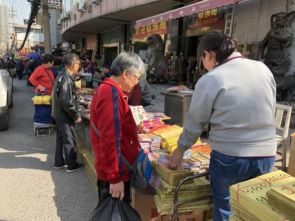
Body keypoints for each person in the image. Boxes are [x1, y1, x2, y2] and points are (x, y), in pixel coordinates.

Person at [169, 31, 276, 221]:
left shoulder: (212, 78)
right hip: (266, 153)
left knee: (226, 208)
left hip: (230, 156)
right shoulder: (263, 68)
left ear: (208, 54)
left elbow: (196, 121)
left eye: (202, 57)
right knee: (254, 210)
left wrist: (180, 149)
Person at [90, 52, 145, 203]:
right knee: (114, 213)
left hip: (114, 168)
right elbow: (110, 139)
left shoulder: (111, 90)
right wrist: (115, 178)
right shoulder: (111, 94)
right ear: (126, 74)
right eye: (137, 77)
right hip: (114, 171)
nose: (137, 82)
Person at [51, 53, 83, 172]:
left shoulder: (61, 75)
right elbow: (66, 101)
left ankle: (59, 162)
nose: (78, 66)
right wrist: (76, 115)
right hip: (64, 115)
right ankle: (71, 165)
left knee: (61, 139)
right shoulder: (66, 78)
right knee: (69, 139)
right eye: (78, 64)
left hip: (58, 113)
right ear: (74, 65)